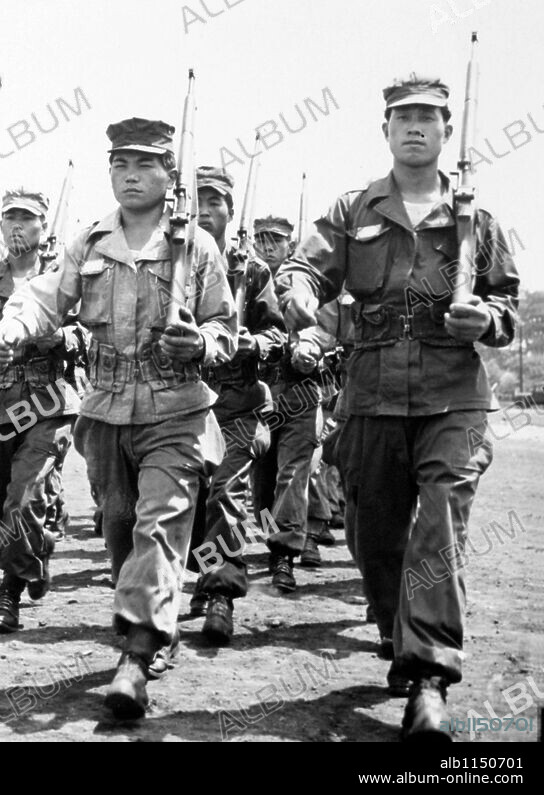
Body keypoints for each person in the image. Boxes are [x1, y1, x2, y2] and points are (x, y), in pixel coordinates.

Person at [278, 75, 519, 740]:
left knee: (439, 525)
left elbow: (507, 307)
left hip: (454, 397)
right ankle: (393, 625)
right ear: (385, 130)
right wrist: (298, 293)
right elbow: (304, 269)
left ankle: (429, 675)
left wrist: (486, 320)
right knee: (374, 536)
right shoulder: (354, 209)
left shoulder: (476, 220)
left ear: (446, 132)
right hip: (372, 395)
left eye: (429, 117)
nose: (415, 127)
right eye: (402, 117)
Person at [0, 118, 237, 720]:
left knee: (161, 525)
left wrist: (199, 344)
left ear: (169, 176)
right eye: (120, 165)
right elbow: (48, 296)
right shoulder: (90, 242)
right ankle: (151, 625)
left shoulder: (195, 247)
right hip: (104, 411)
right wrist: (16, 325)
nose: (131, 176)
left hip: (175, 411)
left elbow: (225, 329)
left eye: (145, 165)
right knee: (120, 524)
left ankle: (135, 655)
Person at [0, 188, 86, 632]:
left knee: (24, 496)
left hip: (47, 402)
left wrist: (61, 339)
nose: (16, 226)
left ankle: (9, 591)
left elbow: (95, 334)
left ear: (42, 227)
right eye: (9, 217)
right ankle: (39, 548)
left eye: (26, 218)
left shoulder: (63, 279)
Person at [185, 167, 286, 645]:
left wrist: (255, 346)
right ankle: (200, 576)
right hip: (182, 403)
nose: (204, 211)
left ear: (230, 211)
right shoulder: (173, 261)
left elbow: (278, 333)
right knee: (188, 501)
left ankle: (221, 592)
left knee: (224, 494)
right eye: (196, 201)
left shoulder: (253, 270)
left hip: (237, 404)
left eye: (215, 203)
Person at [250, 215, 339, 593]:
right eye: (261, 239)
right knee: (261, 482)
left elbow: (333, 325)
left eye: (276, 240)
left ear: (291, 243)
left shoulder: (309, 281)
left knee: (294, 475)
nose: (268, 246)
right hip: (257, 395)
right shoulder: (247, 281)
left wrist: (312, 344)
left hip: (301, 391)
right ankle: (275, 536)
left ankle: (283, 554)